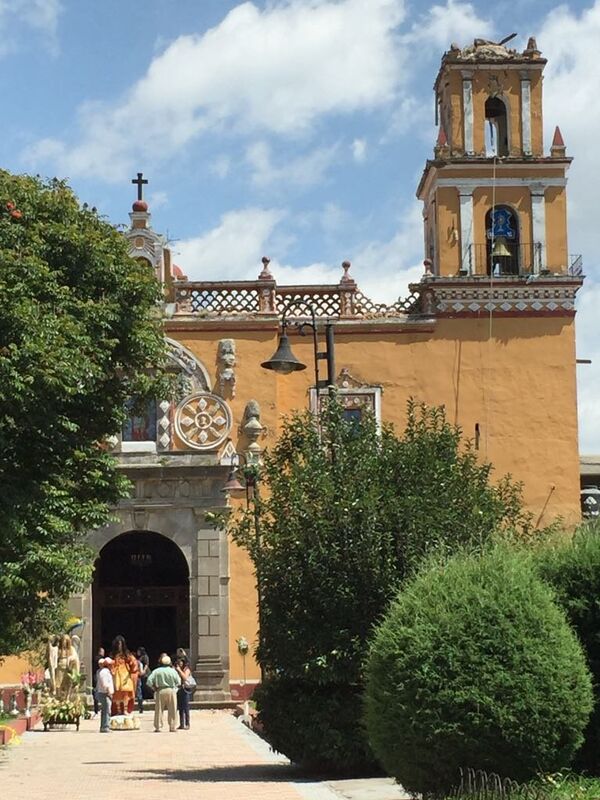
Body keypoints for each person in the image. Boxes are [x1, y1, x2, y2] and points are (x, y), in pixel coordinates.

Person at [146, 654, 181, 733]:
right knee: (172, 709)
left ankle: (158, 727)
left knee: (159, 709)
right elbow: (178, 682)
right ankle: (172, 726)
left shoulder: (156, 671)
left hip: (160, 690)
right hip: (171, 690)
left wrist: (154, 688)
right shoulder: (173, 671)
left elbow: (149, 681)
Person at [109, 635, 138, 716]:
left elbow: (133, 662)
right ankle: (118, 710)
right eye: (118, 644)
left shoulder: (126, 654)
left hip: (125, 674)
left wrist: (133, 666)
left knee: (126, 692)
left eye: (121, 644)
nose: (119, 646)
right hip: (116, 674)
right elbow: (110, 663)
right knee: (117, 693)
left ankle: (125, 710)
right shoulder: (113, 654)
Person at [96, 657, 114, 733]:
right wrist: (109, 693)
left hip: (105, 693)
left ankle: (105, 726)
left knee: (105, 710)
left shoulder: (106, 672)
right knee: (106, 710)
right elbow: (105, 684)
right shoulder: (104, 672)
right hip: (105, 693)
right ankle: (105, 726)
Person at [175, 655, 193, 730]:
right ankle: (181, 724)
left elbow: (185, 677)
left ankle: (187, 723)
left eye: (181, 661)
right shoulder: (177, 669)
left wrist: (179, 670)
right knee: (180, 707)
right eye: (179, 662)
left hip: (185, 690)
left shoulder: (187, 669)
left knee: (186, 707)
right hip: (179, 689)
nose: (180, 663)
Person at [136, 646, 149, 713]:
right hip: (140, 674)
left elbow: (146, 664)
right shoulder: (139, 658)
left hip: (144, 673)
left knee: (144, 686)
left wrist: (143, 671)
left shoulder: (145, 656)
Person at [92, 646, 105, 717]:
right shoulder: (101, 659)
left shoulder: (95, 658)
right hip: (99, 677)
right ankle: (101, 708)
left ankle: (96, 709)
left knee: (96, 692)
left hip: (95, 676)